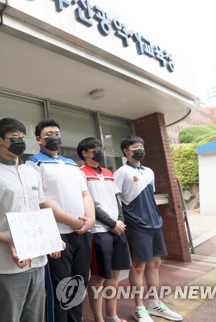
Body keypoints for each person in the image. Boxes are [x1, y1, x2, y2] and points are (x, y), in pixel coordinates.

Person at [0, 118, 62, 322]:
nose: (20, 141)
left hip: (37, 260)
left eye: (22, 137)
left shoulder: (31, 172)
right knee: (8, 317)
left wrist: (52, 236)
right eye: (14, 138)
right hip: (7, 263)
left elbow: (41, 209)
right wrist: (8, 240)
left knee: (35, 316)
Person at [26, 118, 95, 322]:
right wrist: (71, 221)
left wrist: (89, 220)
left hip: (82, 234)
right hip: (57, 236)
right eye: (48, 135)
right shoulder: (33, 163)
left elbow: (85, 194)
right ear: (39, 139)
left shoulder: (72, 163)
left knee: (78, 286)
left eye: (57, 133)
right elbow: (40, 200)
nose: (54, 137)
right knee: (60, 290)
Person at [114, 135, 183, 322]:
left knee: (155, 263)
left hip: (154, 223)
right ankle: (139, 307)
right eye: (135, 146)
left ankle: (154, 302)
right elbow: (115, 199)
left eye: (141, 146)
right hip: (137, 226)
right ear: (126, 151)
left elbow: (148, 198)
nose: (139, 149)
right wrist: (121, 221)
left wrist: (157, 217)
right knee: (138, 266)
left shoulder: (149, 172)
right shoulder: (121, 172)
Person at [77, 137, 130, 322]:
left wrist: (120, 220)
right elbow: (88, 203)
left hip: (117, 228)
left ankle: (112, 316)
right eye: (95, 148)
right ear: (85, 152)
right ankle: (99, 319)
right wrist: (111, 223)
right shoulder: (80, 173)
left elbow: (117, 199)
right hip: (99, 231)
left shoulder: (108, 172)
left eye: (101, 147)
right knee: (99, 278)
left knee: (115, 276)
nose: (100, 151)